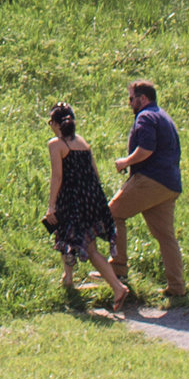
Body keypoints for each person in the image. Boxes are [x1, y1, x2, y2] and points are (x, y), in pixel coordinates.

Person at [108, 79, 189, 306]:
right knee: (166, 237)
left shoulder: (145, 117)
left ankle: (118, 268)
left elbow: (146, 150)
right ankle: (177, 287)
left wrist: (125, 162)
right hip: (170, 184)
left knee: (113, 214)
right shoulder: (163, 116)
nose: (129, 103)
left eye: (131, 98)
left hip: (151, 180)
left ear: (143, 99)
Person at [44, 99, 120, 299]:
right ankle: (68, 278)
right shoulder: (83, 143)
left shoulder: (56, 144)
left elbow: (57, 177)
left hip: (72, 199)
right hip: (92, 198)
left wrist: (51, 206)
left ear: (56, 124)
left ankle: (118, 288)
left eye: (50, 123)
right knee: (67, 237)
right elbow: (94, 172)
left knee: (89, 247)